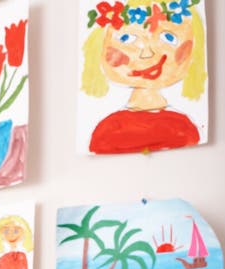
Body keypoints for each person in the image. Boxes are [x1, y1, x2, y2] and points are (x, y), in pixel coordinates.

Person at [81, 1, 207, 154]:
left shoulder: (184, 128)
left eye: (168, 37)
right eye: (126, 38)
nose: (147, 53)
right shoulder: (108, 131)